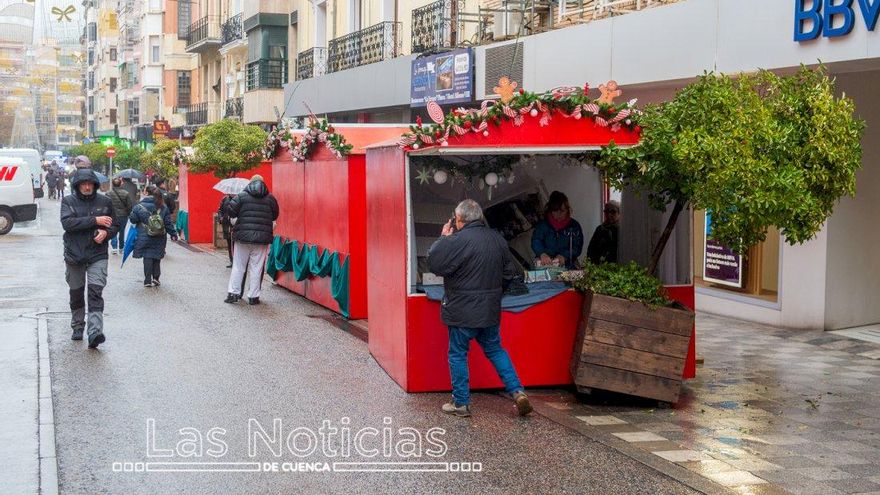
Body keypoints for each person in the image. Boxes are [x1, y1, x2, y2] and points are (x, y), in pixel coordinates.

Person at [427, 199, 532, 418]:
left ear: (459, 219)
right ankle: (518, 391)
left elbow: (434, 263)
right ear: (480, 217)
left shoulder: (455, 240)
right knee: (495, 350)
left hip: (461, 311)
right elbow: (509, 273)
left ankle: (461, 403)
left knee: (458, 354)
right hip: (489, 311)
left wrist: (443, 238)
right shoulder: (497, 239)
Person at [60, 168, 117, 349]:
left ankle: (95, 332)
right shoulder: (68, 201)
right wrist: (95, 221)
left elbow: (115, 225)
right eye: (83, 184)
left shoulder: (105, 202)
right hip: (74, 255)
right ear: (77, 186)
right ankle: (77, 326)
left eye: (89, 184)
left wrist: (106, 233)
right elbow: (67, 224)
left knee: (95, 293)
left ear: (95, 185)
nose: (86, 187)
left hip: (97, 255)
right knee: (76, 292)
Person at [224, 175, 278, 305]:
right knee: (257, 267)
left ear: (250, 183)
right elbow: (275, 215)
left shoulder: (242, 196)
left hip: (242, 237)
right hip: (262, 239)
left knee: (238, 266)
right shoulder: (271, 198)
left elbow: (230, 211)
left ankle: (233, 293)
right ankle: (253, 297)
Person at [129, 185, 177, 287]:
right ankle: (156, 278)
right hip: (160, 235)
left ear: (146, 193)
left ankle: (147, 280)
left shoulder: (139, 206)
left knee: (147, 256)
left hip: (144, 234)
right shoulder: (163, 207)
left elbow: (132, 219)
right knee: (156, 256)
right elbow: (168, 223)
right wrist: (173, 234)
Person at [531, 191, 584, 269]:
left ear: (567, 210)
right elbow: (536, 240)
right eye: (555, 211)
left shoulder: (574, 226)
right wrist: (542, 253)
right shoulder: (542, 225)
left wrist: (564, 256)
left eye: (562, 211)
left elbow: (577, 246)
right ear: (550, 210)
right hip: (546, 265)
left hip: (568, 265)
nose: (559, 214)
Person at [587, 200, 621, 265]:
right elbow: (591, 250)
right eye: (606, 211)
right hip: (600, 266)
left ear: (619, 213)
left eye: (613, 212)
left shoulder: (622, 230)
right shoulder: (600, 229)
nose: (609, 214)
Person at [107, 178, 134, 255]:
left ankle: (114, 247)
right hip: (123, 215)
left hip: (112, 215)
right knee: (122, 231)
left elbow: (106, 205)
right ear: (121, 184)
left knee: (113, 230)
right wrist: (128, 213)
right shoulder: (126, 193)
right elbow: (129, 205)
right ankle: (121, 248)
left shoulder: (108, 193)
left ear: (112, 184)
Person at [218, 194, 235, 268]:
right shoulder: (224, 199)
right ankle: (231, 260)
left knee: (235, 243)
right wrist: (221, 218)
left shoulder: (239, 199)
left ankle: (236, 261)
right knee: (229, 243)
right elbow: (219, 210)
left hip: (235, 224)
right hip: (226, 224)